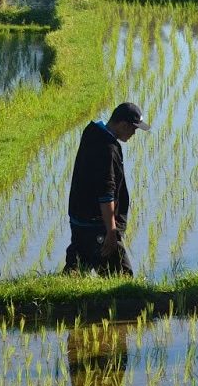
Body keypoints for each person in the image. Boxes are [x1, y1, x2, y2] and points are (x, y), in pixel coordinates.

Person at [64, 102, 150, 276]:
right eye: (134, 129)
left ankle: (63, 288)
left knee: (77, 267)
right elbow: (106, 193)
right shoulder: (107, 148)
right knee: (121, 277)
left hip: (80, 220)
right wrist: (111, 232)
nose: (134, 134)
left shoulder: (92, 132)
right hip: (98, 226)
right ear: (123, 125)